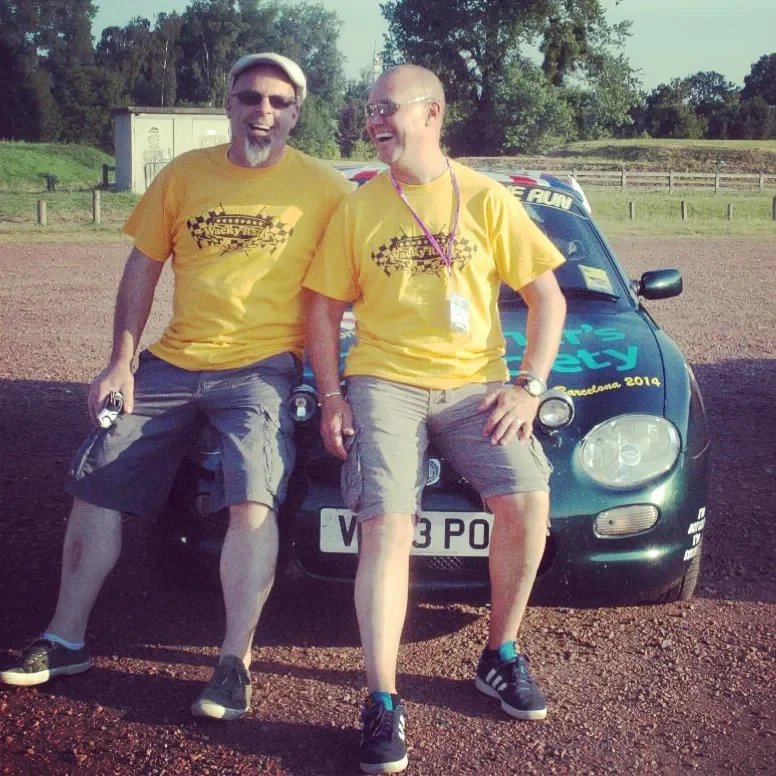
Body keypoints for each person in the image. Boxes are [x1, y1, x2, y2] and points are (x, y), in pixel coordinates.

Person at [0, 53, 351, 722]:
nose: (263, 112)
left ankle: (233, 665)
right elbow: (143, 268)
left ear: (297, 112)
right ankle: (63, 637)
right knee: (99, 475)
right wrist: (119, 361)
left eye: (279, 101)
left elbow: (347, 287)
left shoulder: (327, 189)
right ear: (228, 102)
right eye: (250, 96)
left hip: (264, 369)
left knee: (254, 496)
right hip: (174, 361)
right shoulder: (184, 175)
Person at [303, 64, 567, 774]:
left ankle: (499, 653)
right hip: (384, 381)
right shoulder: (360, 206)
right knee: (387, 521)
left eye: (386, 108)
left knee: (526, 495)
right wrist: (332, 395)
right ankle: (382, 699)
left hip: (474, 384)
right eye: (368, 110)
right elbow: (324, 308)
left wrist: (530, 386)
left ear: (431, 113)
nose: (373, 121)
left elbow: (548, 297)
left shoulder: (485, 198)